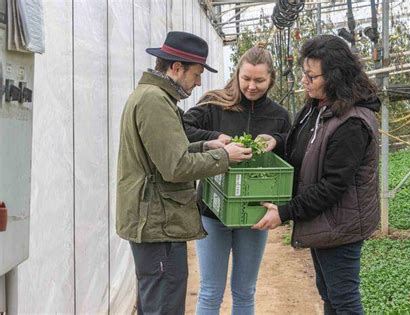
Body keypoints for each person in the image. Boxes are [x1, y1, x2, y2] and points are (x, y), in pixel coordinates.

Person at [116, 31, 253, 315]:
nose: (199, 81)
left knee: (154, 303)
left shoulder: (152, 96)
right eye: (197, 73)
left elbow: (163, 154)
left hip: (154, 220)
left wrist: (205, 145)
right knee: (164, 306)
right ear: (176, 68)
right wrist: (223, 156)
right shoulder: (155, 101)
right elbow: (175, 167)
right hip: (158, 223)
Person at [253, 35, 381, 314]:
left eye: (311, 76)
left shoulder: (352, 123)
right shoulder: (320, 106)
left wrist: (285, 211)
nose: (304, 81)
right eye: (304, 73)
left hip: (340, 224)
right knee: (330, 294)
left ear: (334, 77)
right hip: (324, 221)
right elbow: (305, 145)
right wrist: (278, 141)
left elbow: (332, 186)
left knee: (344, 300)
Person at [183, 44, 291, 314]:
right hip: (212, 211)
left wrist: (277, 140)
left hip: (254, 214)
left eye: (259, 80)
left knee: (245, 292)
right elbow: (182, 129)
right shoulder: (215, 103)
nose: (251, 86)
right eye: (246, 78)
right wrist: (213, 139)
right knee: (210, 292)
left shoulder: (279, 116)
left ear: (271, 79)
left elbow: (295, 149)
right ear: (237, 74)